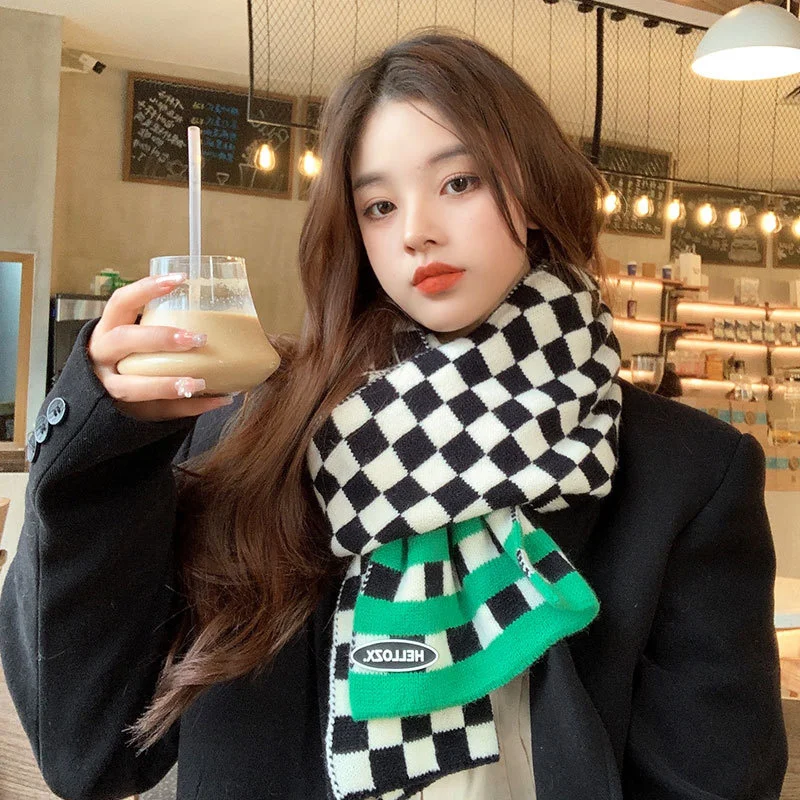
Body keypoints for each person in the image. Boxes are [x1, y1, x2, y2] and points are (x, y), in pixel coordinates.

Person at [0, 30, 787, 800]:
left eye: (459, 182)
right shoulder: (254, 432)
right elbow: (90, 751)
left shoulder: (685, 471)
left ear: (534, 191)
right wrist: (105, 448)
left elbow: (711, 777)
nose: (416, 231)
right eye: (379, 204)